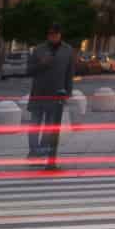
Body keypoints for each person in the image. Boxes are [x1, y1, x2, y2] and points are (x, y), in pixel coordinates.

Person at [27, 24, 75, 161]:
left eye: (54, 34)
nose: (52, 36)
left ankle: (42, 150)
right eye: (49, 34)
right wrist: (41, 64)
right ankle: (33, 151)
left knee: (49, 125)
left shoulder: (68, 50)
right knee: (34, 124)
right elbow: (29, 70)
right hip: (38, 93)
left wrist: (68, 92)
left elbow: (69, 73)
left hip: (56, 94)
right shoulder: (38, 49)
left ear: (60, 35)